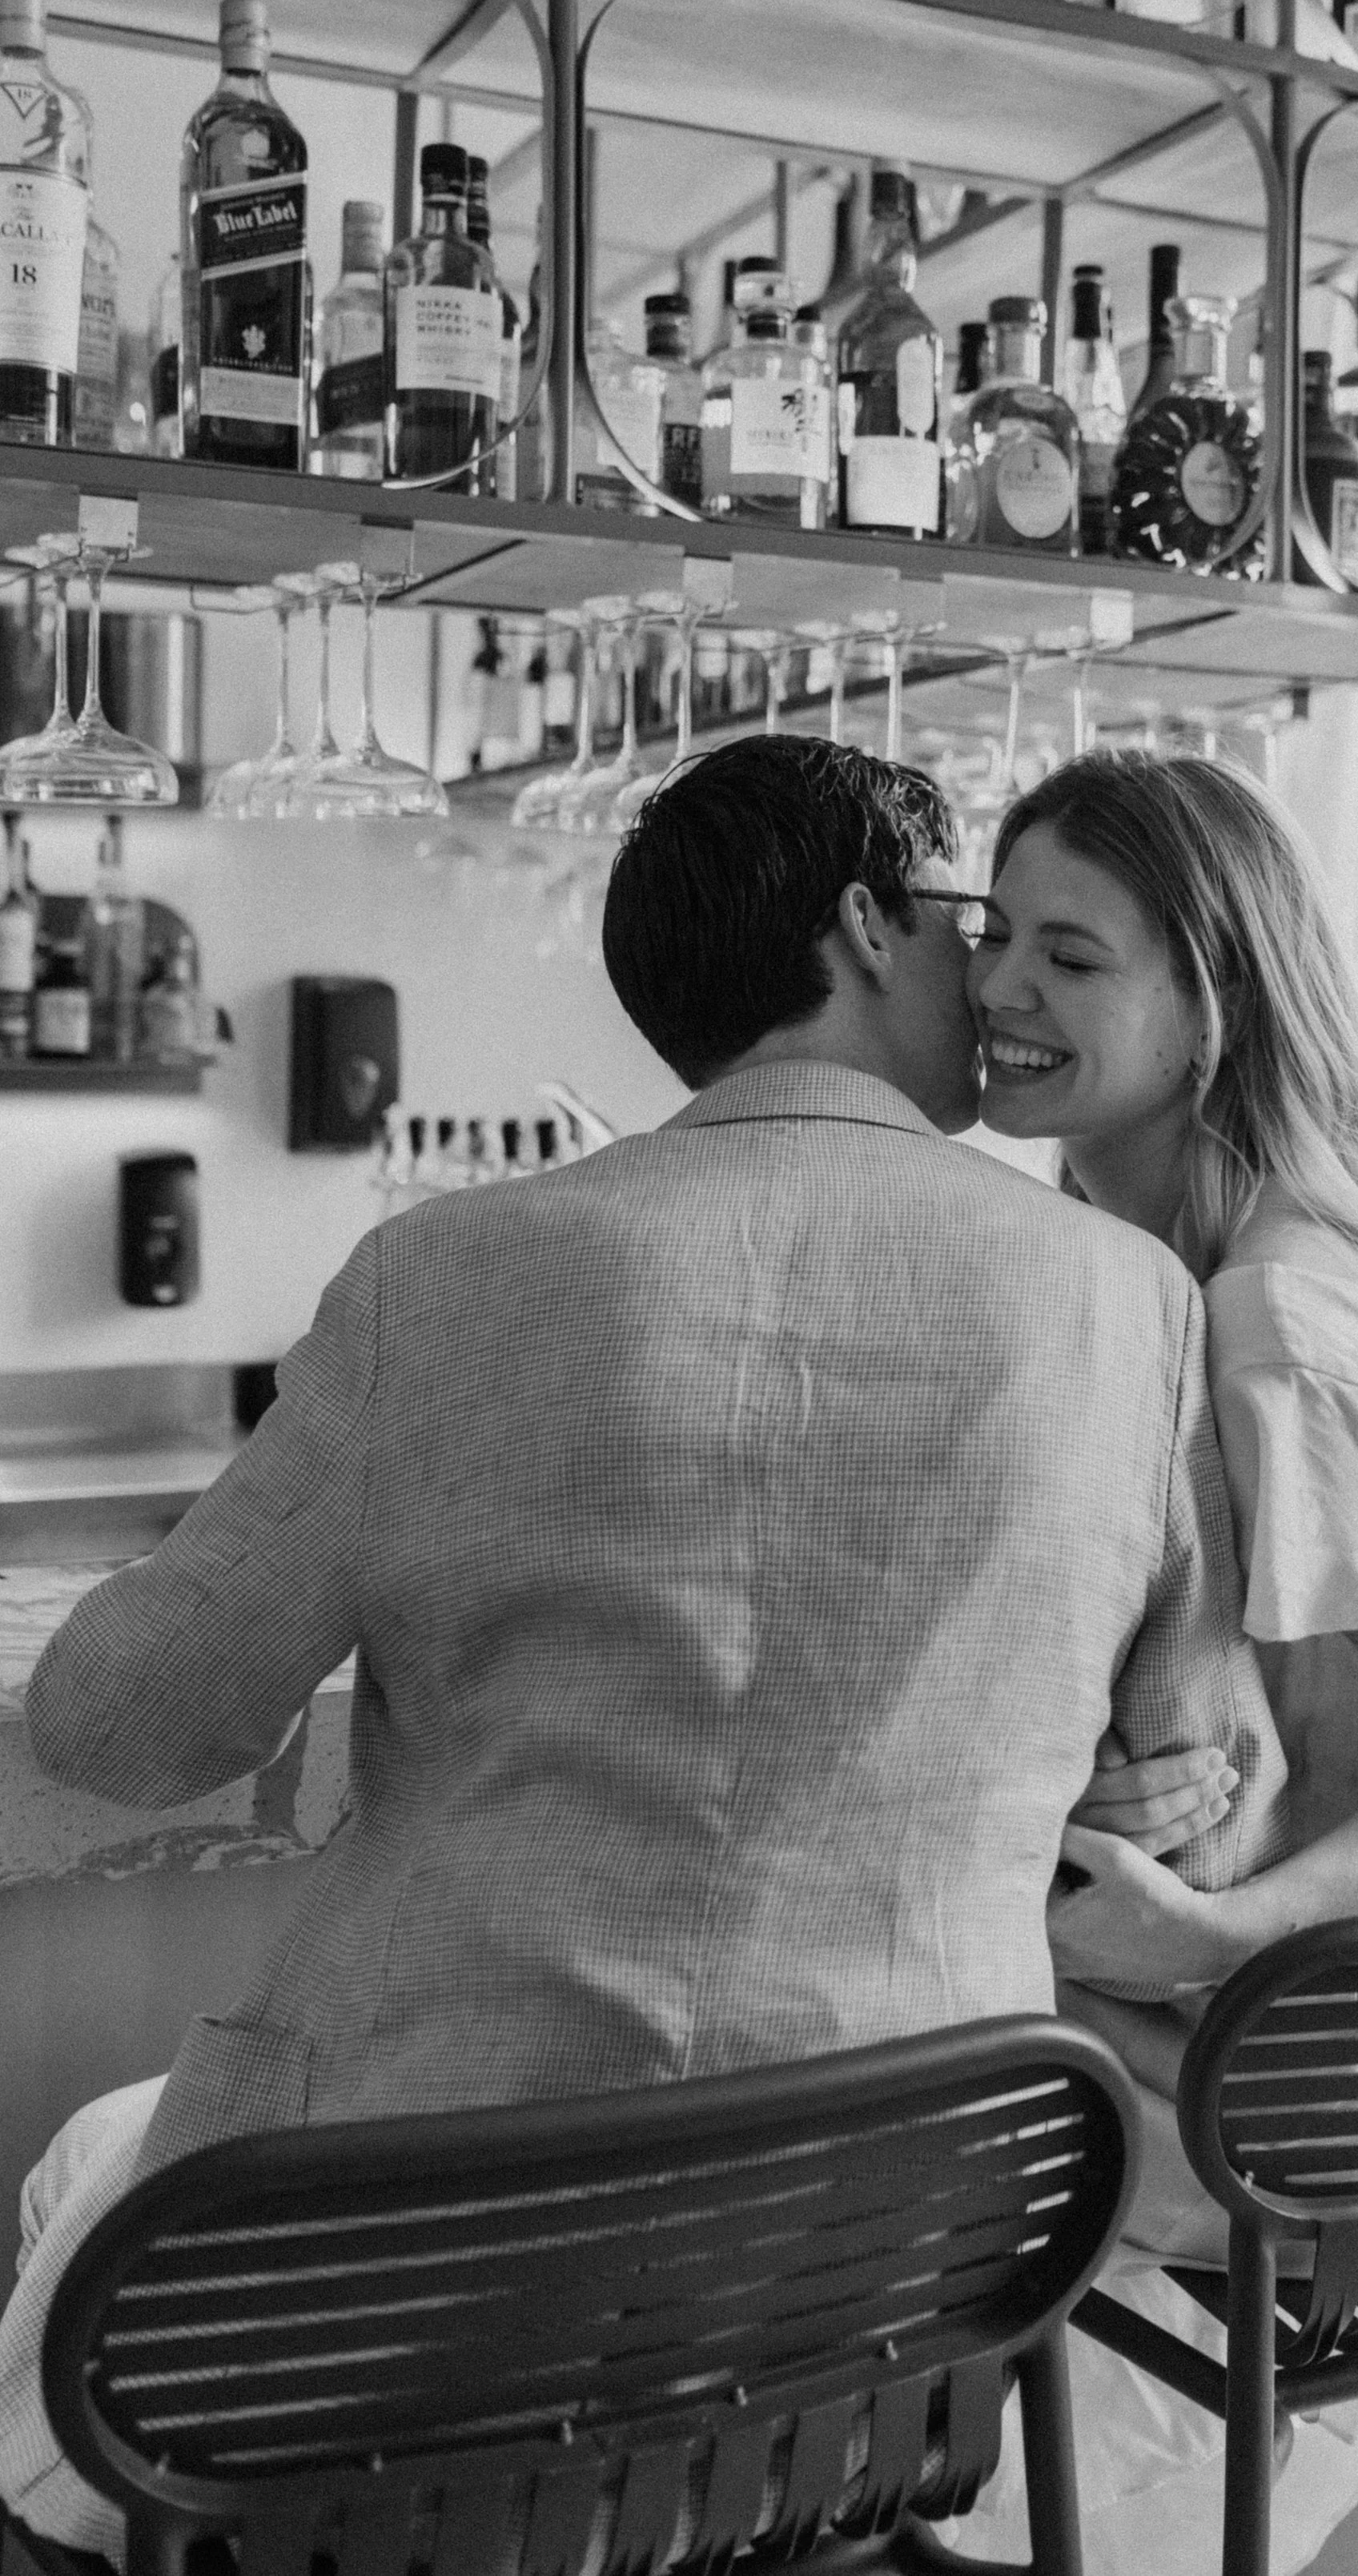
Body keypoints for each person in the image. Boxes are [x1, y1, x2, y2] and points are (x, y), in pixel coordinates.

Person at [0, 735, 1286, 2565]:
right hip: (894, 2303)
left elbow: (123, 1727)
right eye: (963, 924)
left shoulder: (439, 1278)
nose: (993, 982)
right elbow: (1194, 1779)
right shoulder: (1129, 1303)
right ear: (860, 928)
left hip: (433, 2316)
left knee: (76, 2309)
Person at [954, 748, 1358, 2576]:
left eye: (1070, 959)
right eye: (994, 936)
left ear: (1208, 1001)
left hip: (1311, 2090)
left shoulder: (1277, 1318)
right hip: (1256, 2059)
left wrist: (1232, 1924)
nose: (998, 988)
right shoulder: (1124, 1265)